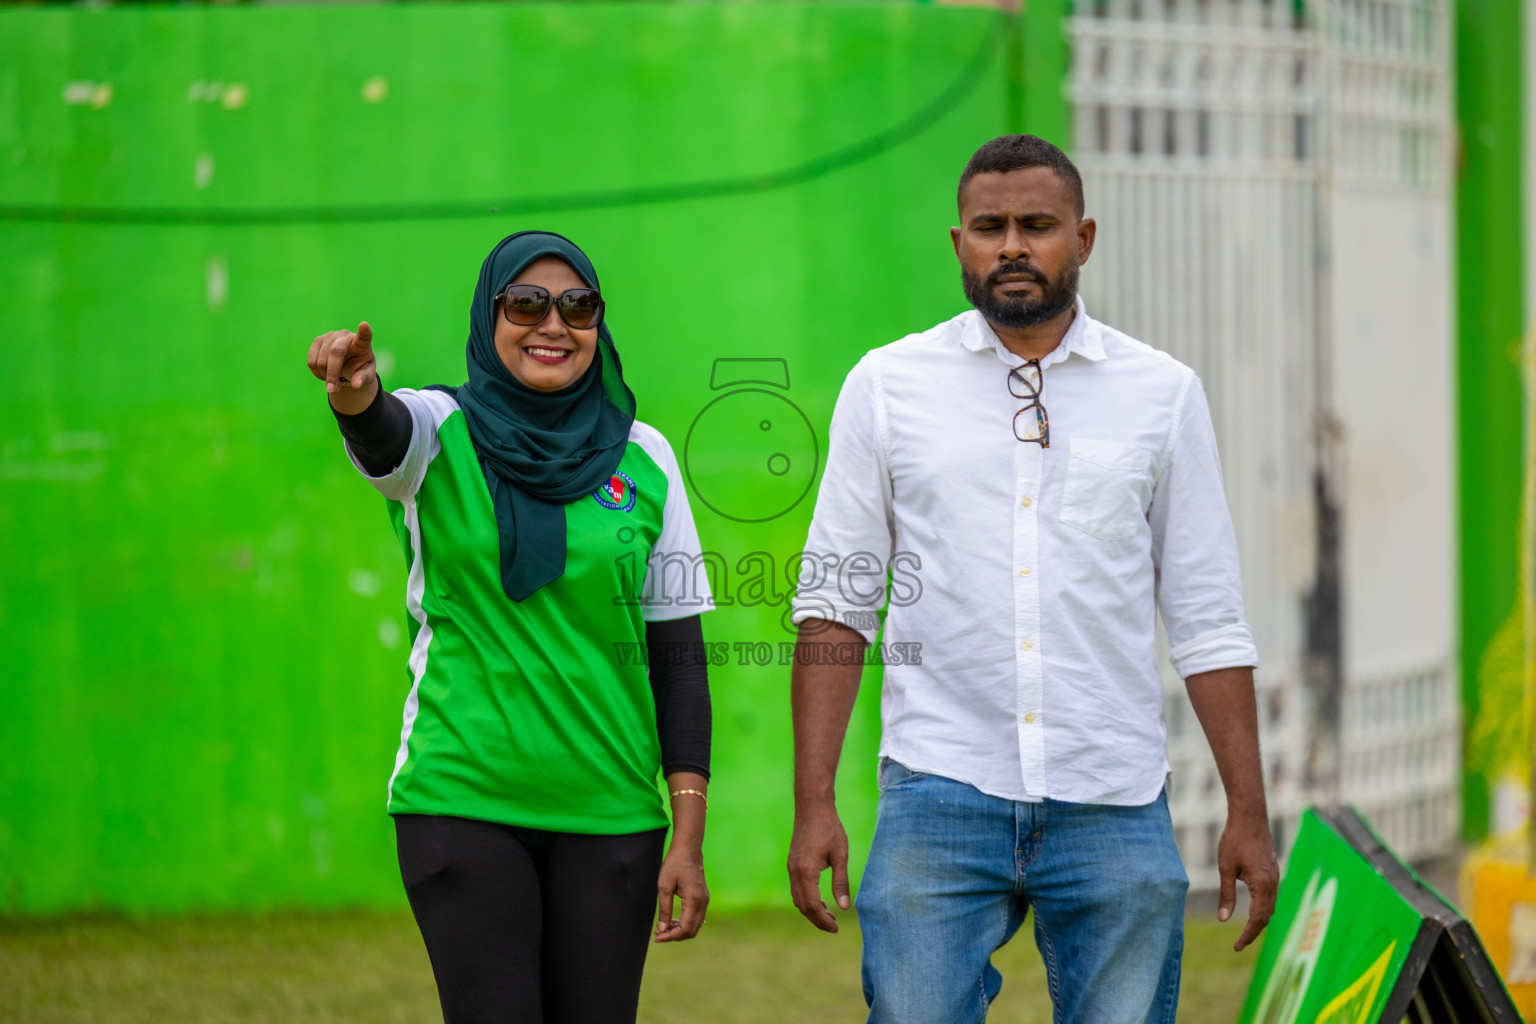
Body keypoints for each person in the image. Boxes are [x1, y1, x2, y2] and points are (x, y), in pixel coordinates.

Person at [785, 135, 1279, 1023]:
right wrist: (813, 802)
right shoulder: (888, 386)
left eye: (1038, 225)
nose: (1012, 245)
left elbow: (1206, 615)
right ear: (959, 244)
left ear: (1083, 239)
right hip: (939, 784)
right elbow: (835, 605)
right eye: (990, 226)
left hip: (1113, 795)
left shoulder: (1162, 394)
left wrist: (1248, 807)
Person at [305, 230, 714, 1024]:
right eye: (525, 304)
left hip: (614, 812)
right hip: (463, 798)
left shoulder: (647, 458)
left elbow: (678, 657)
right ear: (490, 318)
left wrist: (688, 833)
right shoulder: (437, 430)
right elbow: (377, 428)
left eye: (578, 306)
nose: (553, 325)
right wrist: (353, 391)